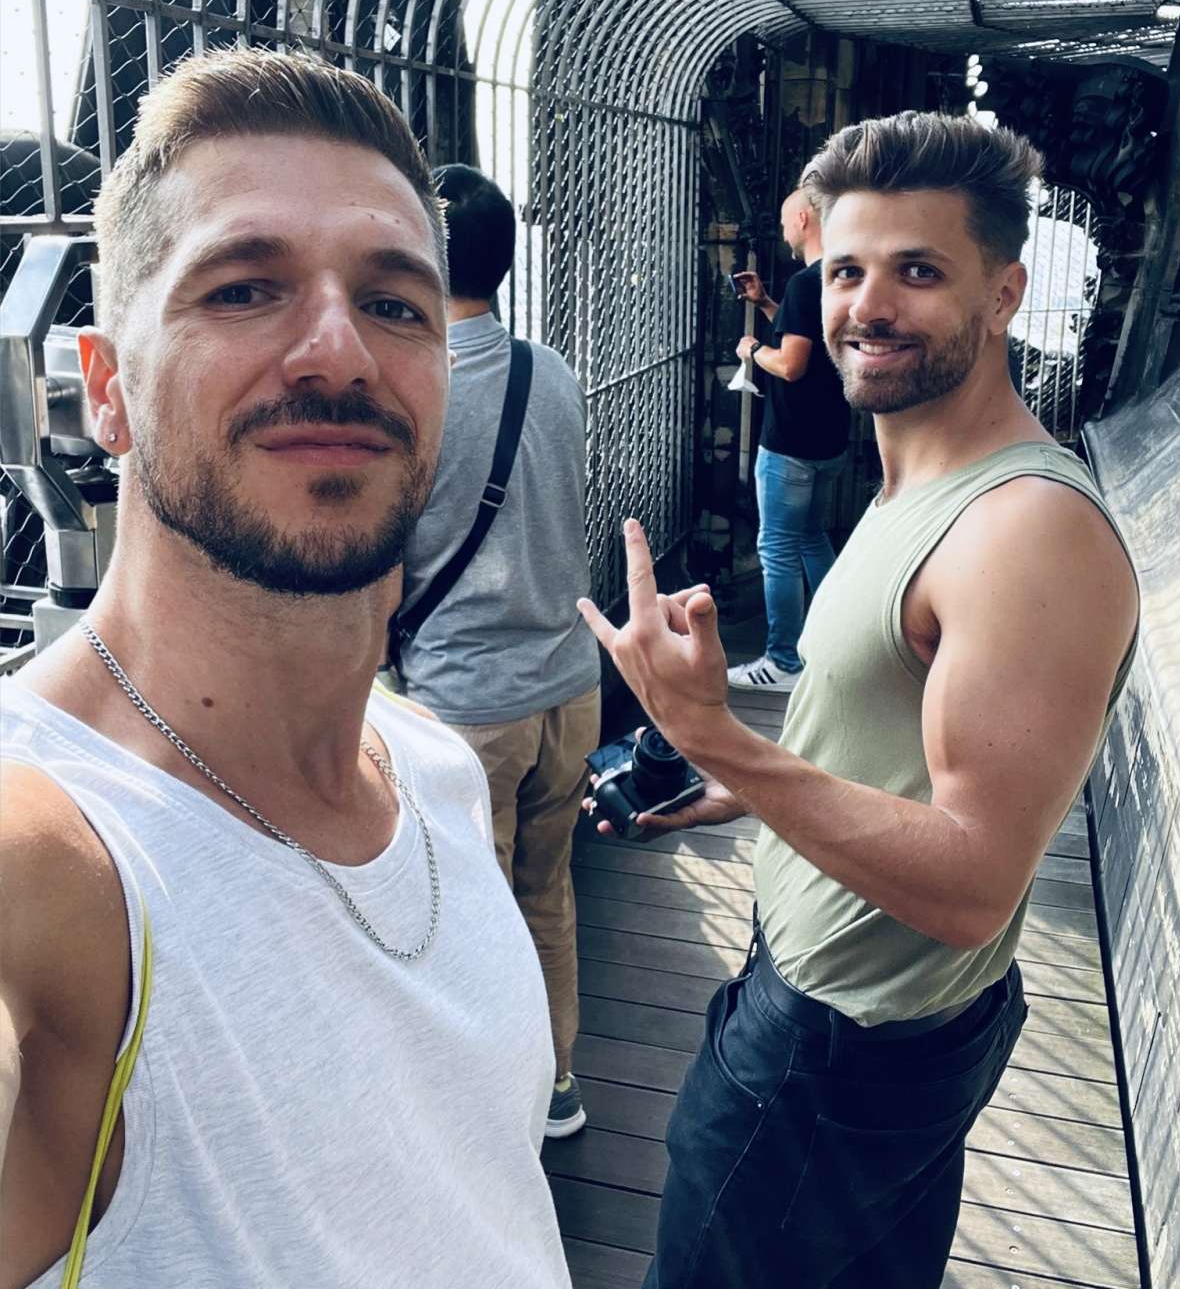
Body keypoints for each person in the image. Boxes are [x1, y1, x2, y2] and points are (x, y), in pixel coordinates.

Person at [0, 51, 571, 1289]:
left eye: (395, 304)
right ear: (106, 388)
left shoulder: (428, 765)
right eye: (245, 288)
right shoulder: (51, 848)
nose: (338, 353)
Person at [578, 111, 1139, 1289]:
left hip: (838, 1050)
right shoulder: (916, 479)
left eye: (918, 271)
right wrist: (743, 786)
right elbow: (902, 756)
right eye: (845, 270)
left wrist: (711, 731)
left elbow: (974, 883)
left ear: (1003, 292)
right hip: (855, 1017)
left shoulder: (1021, 532)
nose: (865, 306)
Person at [392, 164, 601, 1139]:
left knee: (464, 919)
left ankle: (486, 1111)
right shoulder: (549, 369)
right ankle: (556, 1084)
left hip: (472, 703)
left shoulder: (416, 392)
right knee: (545, 894)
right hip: (570, 685)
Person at [728, 181, 851, 690]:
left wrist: (752, 351)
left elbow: (793, 364)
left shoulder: (807, 282)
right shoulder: (841, 277)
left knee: (776, 547)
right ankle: (836, 641)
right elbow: (812, 342)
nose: (781, 229)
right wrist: (767, 303)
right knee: (811, 537)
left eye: (784, 220)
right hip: (829, 442)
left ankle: (783, 661)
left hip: (790, 445)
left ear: (803, 218)